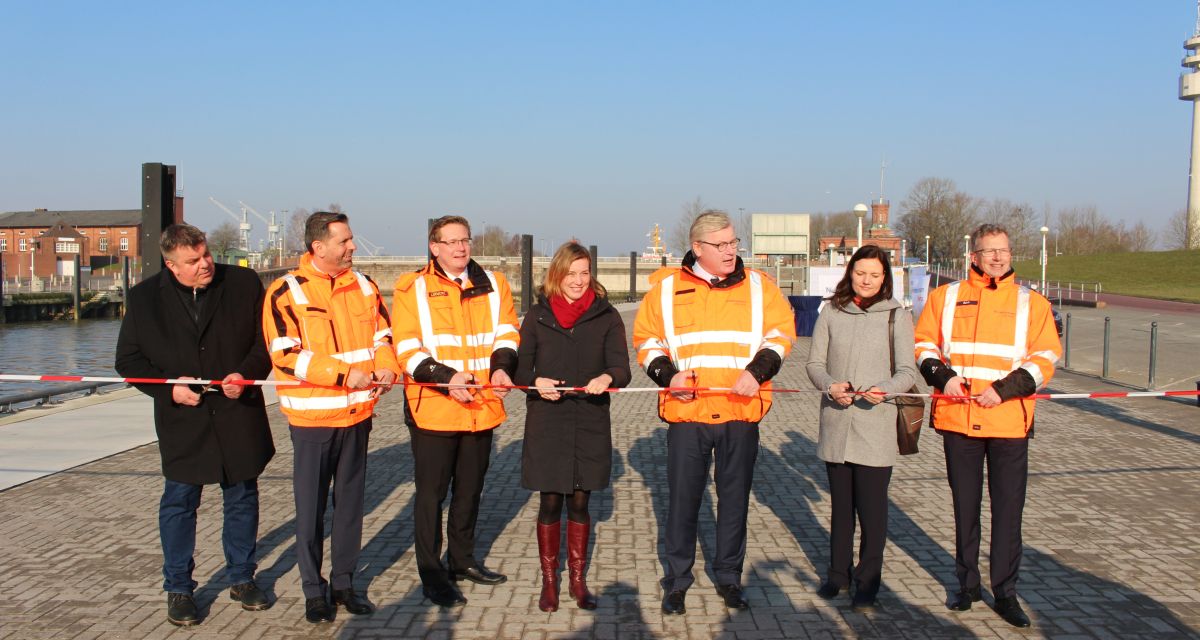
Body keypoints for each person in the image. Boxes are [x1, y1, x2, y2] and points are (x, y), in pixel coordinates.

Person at [633, 210, 796, 614]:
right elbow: (646, 341)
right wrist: (668, 376)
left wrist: (756, 373)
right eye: (720, 245)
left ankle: (728, 577)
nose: (730, 251)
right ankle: (676, 580)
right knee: (683, 502)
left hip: (740, 412)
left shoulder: (761, 287)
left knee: (734, 501)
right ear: (697, 249)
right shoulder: (665, 290)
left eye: (733, 242)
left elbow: (781, 336)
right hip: (687, 414)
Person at [115, 224, 275, 627]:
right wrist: (169, 389)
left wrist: (245, 373)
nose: (205, 265)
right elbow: (129, 361)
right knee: (179, 503)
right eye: (193, 261)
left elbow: (266, 342)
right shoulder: (144, 298)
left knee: (242, 497)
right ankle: (179, 588)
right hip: (183, 420)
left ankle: (242, 577)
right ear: (171, 265)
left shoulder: (242, 282)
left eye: (205, 255)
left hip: (237, 414)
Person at [914, 223, 1060, 628]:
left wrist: (1004, 389)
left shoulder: (1034, 303)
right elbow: (923, 344)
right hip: (959, 419)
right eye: (989, 251)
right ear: (973, 256)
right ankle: (967, 585)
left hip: (1008, 420)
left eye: (1004, 251)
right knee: (965, 509)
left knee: (1008, 512)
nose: (997, 258)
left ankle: (1007, 592)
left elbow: (1045, 358)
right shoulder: (945, 298)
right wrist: (944, 377)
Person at [263, 211, 399, 624]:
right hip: (312, 422)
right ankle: (313, 590)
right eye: (345, 241)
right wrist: (343, 374)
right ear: (318, 247)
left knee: (350, 507)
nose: (353, 247)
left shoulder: (364, 285)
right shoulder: (285, 292)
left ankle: (344, 584)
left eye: (351, 239)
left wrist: (388, 366)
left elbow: (383, 336)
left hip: (358, 416)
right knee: (310, 510)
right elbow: (285, 355)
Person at [392, 215, 519, 608]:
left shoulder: (494, 284)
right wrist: (447, 378)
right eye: (451, 242)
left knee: (470, 490)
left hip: (481, 406)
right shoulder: (412, 287)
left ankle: (462, 560)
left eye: (464, 240)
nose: (460, 248)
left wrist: (502, 366)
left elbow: (508, 332)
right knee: (431, 495)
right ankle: (432, 574)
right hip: (434, 407)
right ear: (434, 247)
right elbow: (406, 349)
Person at [514, 242, 632, 612]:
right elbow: (520, 370)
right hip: (548, 420)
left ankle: (577, 581)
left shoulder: (607, 316)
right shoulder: (537, 316)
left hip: (589, 418)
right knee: (549, 501)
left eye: (584, 273)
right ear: (556, 276)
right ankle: (549, 582)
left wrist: (606, 376)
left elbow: (623, 370)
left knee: (580, 501)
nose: (578, 281)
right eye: (571, 274)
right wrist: (537, 382)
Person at [804, 245, 917, 609]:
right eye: (860, 272)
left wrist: (886, 391)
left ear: (885, 278)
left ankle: (867, 581)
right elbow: (814, 364)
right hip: (838, 423)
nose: (866, 280)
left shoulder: (896, 316)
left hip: (876, 424)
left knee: (871, 511)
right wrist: (830, 386)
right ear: (850, 272)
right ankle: (838, 575)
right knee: (840, 509)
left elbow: (907, 371)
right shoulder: (832, 312)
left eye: (875, 274)